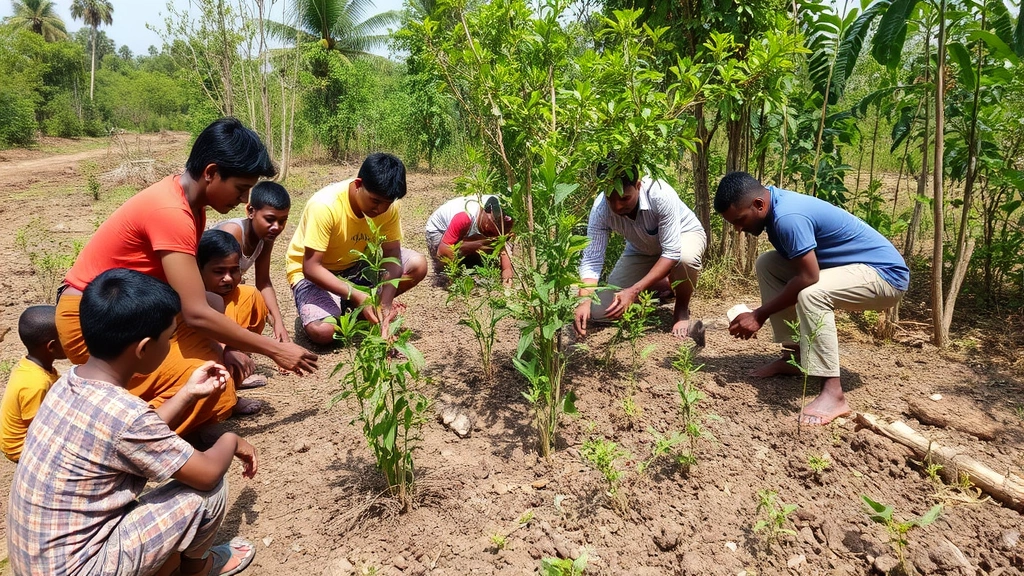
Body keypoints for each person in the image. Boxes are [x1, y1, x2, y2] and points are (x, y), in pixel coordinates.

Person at [55, 118, 317, 433]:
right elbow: (194, 313)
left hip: (142, 311)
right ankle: (120, 429)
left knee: (245, 299)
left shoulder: (194, 206)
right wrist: (275, 349)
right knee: (214, 389)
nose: (245, 201)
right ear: (211, 173)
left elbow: (196, 299)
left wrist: (226, 345)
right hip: (97, 323)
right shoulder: (171, 213)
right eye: (241, 189)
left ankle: (171, 395)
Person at [8, 269, 258, 576]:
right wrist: (231, 441)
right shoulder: (126, 415)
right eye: (170, 337)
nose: (171, 345)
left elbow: (132, 433)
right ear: (143, 348)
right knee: (209, 491)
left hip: (38, 564)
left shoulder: (67, 384)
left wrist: (188, 393)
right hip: (80, 569)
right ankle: (199, 568)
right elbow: (204, 475)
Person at [714, 171, 909, 425]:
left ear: (759, 204)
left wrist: (758, 314)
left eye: (740, 220)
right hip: (850, 268)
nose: (739, 229)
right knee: (768, 263)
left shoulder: (787, 217)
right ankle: (797, 358)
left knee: (811, 293)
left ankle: (833, 394)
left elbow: (808, 277)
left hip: (885, 276)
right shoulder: (775, 206)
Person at [286, 152, 427, 345]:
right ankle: (352, 303)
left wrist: (385, 303)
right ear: (359, 184)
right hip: (317, 273)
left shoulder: (387, 207)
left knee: (418, 264)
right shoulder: (325, 206)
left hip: (357, 266)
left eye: (388, 203)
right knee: (324, 332)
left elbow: (392, 256)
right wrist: (357, 294)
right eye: (375, 201)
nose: (380, 210)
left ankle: (363, 308)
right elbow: (310, 267)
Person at [574, 163, 707, 339]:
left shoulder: (660, 194)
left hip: (683, 237)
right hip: (642, 249)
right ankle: (663, 284)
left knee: (684, 259)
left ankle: (681, 307)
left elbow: (671, 252)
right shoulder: (600, 209)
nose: (617, 207)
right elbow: (592, 259)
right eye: (610, 199)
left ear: (638, 185)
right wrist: (584, 300)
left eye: (624, 199)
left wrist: (633, 291)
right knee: (601, 311)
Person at [212, 180, 291, 344]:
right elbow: (210, 284)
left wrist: (278, 323)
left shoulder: (266, 236)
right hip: (207, 295)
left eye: (282, 221)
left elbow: (263, 282)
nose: (277, 227)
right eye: (270, 219)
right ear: (250, 211)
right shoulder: (233, 233)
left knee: (256, 299)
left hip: (225, 291)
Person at [198, 229, 271, 390]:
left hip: (228, 351)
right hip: (201, 363)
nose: (228, 278)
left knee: (251, 294)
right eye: (219, 272)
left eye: (234, 270)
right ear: (199, 270)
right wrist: (224, 350)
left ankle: (237, 369)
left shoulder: (243, 296)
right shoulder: (192, 300)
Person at [1, 305, 66, 463]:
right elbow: (38, 429)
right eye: (67, 338)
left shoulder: (32, 365)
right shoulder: (36, 384)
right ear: (51, 347)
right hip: (20, 447)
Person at [425, 195, 514, 283]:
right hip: (441, 230)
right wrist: (453, 279)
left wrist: (507, 273)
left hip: (467, 232)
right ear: (484, 213)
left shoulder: (504, 215)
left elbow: (501, 246)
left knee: (481, 255)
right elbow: (444, 250)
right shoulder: (464, 216)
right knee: (445, 268)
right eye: (490, 229)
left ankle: (468, 254)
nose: (493, 233)